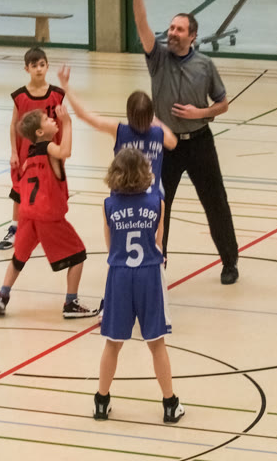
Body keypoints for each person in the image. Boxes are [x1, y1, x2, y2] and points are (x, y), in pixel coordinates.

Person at [125, 0, 240, 285]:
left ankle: (230, 262)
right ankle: (157, 263)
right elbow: (141, 22)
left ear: (192, 36)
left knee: (215, 202)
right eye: (171, 28)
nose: (172, 33)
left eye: (179, 30)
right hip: (165, 145)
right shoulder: (157, 58)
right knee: (159, 205)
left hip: (199, 141)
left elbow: (223, 104)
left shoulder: (205, 65)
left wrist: (199, 113)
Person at [93, 148, 185, 424]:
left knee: (113, 342)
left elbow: (110, 245)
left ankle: (101, 402)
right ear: (145, 172)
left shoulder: (108, 205)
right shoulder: (158, 202)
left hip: (119, 274)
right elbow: (159, 243)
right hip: (149, 274)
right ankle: (170, 404)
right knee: (156, 343)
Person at [0, 105, 97, 319]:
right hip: (48, 216)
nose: (52, 119)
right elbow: (65, 152)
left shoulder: (29, 157)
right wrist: (68, 123)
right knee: (78, 255)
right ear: (40, 132)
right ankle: (71, 303)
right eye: (47, 120)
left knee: (18, 258)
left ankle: (2, 295)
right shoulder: (49, 149)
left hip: (27, 215)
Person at [56, 63, 177, 197]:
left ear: (128, 113)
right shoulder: (159, 133)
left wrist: (66, 86)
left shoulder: (119, 130)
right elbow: (173, 142)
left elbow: (83, 115)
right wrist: (156, 121)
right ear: (150, 114)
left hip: (122, 197)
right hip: (150, 198)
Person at [0, 47, 66, 251]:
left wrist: (62, 150)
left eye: (42, 65)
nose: (39, 69)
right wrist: (13, 152)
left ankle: (50, 230)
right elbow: (14, 125)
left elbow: (62, 124)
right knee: (20, 192)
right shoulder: (20, 96)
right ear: (26, 69)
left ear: (47, 66)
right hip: (25, 154)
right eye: (34, 65)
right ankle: (15, 228)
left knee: (50, 192)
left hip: (50, 153)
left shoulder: (57, 95)